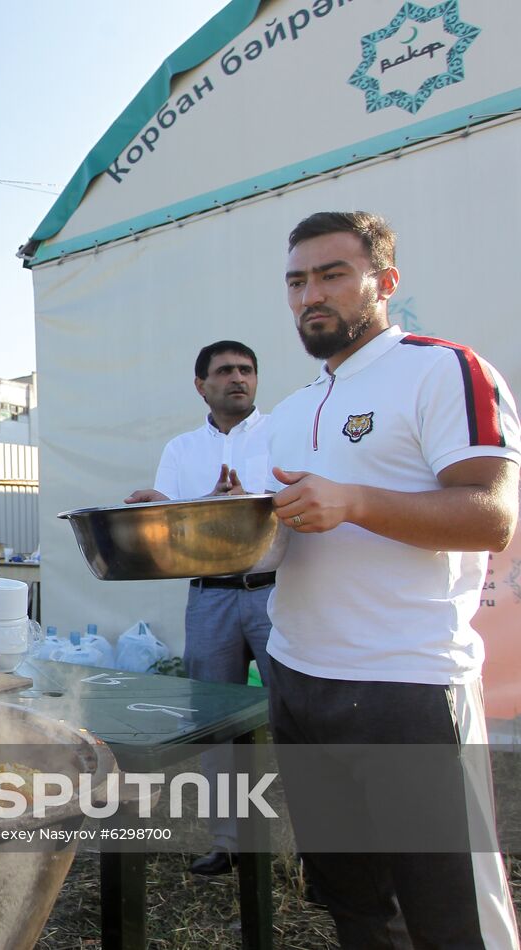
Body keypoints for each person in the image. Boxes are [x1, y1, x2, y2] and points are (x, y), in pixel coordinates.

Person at [267, 211, 519, 947]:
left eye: (332, 274)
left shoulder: (441, 368)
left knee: (451, 915)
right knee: (354, 906)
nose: (312, 294)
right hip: (298, 679)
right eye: (297, 281)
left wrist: (354, 503)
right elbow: (272, 531)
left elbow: (491, 516)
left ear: (386, 282)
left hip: (405, 688)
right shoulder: (292, 410)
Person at [125, 340, 275, 875]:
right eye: (226, 371)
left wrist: (242, 504)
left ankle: (321, 853)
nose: (239, 378)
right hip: (210, 596)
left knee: (301, 717)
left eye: (247, 370)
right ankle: (230, 842)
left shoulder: (284, 434)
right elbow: (171, 534)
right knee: (218, 721)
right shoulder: (181, 450)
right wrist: (185, 512)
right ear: (201, 385)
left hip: (277, 593)